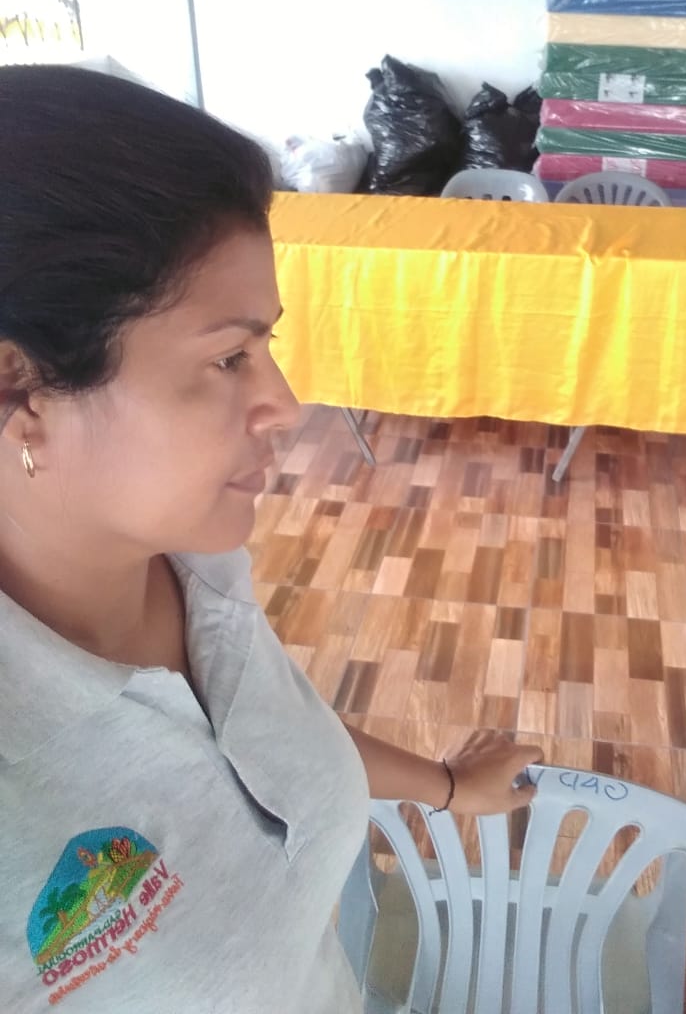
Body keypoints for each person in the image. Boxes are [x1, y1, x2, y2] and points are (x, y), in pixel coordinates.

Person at [0, 65, 542, 1012]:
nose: (286, 406)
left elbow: (264, 737)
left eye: (266, 348)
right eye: (228, 358)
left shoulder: (194, 564)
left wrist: (450, 787)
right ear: (21, 390)